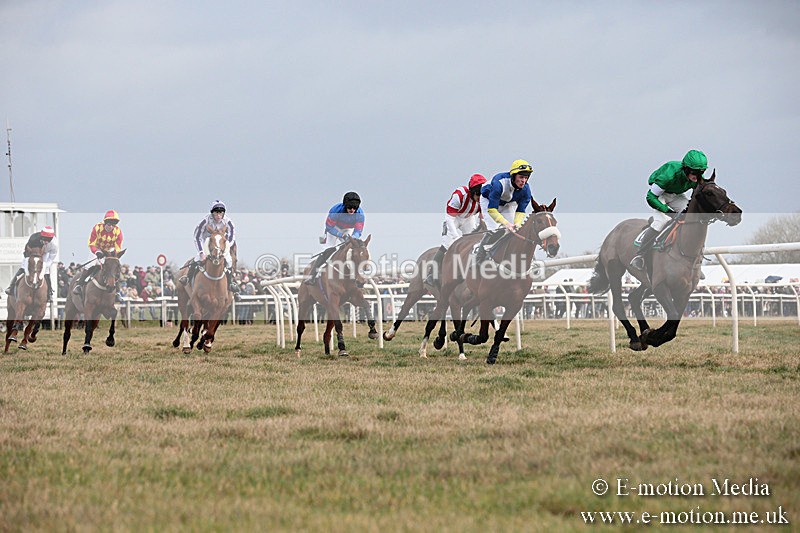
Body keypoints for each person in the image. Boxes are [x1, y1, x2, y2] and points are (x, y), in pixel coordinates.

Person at [630, 149, 707, 271]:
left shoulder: (697, 177)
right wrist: (668, 211)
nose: (697, 176)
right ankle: (640, 255)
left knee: (693, 217)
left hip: (676, 195)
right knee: (661, 221)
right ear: (686, 168)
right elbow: (650, 197)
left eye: (701, 172)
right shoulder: (669, 175)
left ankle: (696, 261)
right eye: (694, 172)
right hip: (660, 195)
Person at [425, 174, 486, 287]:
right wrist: (456, 237)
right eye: (478, 194)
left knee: (473, 245)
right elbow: (449, 218)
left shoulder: (484, 199)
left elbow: (482, 219)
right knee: (448, 244)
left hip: (468, 219)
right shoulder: (459, 195)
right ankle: (431, 274)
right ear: (473, 191)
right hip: (454, 219)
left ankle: (470, 270)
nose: (480, 198)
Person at [474, 159, 533, 262]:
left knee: (512, 230)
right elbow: (492, 210)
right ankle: (479, 258)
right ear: (514, 176)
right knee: (495, 229)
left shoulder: (526, 190)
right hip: (488, 201)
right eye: (521, 177)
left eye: (526, 177)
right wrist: (506, 223)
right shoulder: (499, 183)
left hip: (507, 203)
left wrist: (517, 224)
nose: (524, 181)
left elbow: (520, 211)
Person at [305, 191, 365, 284]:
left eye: (354, 208)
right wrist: (341, 235)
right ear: (345, 205)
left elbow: (358, 231)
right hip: (334, 229)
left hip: (348, 229)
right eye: (349, 207)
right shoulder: (335, 211)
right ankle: (312, 275)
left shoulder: (360, 215)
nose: (352, 210)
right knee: (329, 249)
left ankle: (356, 275)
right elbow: (329, 227)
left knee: (353, 248)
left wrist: (352, 238)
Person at [179, 200, 238, 292]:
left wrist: (224, 249)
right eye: (216, 213)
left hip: (221, 244)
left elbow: (231, 237)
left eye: (221, 213)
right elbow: (197, 236)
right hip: (206, 242)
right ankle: (188, 278)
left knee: (229, 260)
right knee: (198, 258)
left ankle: (230, 284)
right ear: (212, 213)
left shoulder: (229, 222)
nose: (218, 216)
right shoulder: (204, 221)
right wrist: (202, 252)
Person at [73, 210, 124, 296]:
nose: (110, 227)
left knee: (114, 267)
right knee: (90, 265)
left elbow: (118, 247)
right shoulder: (97, 228)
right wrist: (97, 252)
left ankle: (117, 292)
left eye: (113, 225)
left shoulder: (118, 231)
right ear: (105, 223)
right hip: (97, 249)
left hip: (110, 251)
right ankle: (79, 285)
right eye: (109, 224)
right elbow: (91, 243)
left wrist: (112, 254)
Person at [5, 225, 58, 301]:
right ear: (41, 236)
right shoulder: (34, 239)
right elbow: (27, 252)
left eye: (49, 240)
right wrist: (28, 264)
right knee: (23, 267)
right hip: (30, 254)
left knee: (46, 271)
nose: (46, 242)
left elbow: (52, 256)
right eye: (45, 239)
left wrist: (45, 266)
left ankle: (49, 293)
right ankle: (11, 286)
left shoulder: (54, 244)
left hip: (45, 254)